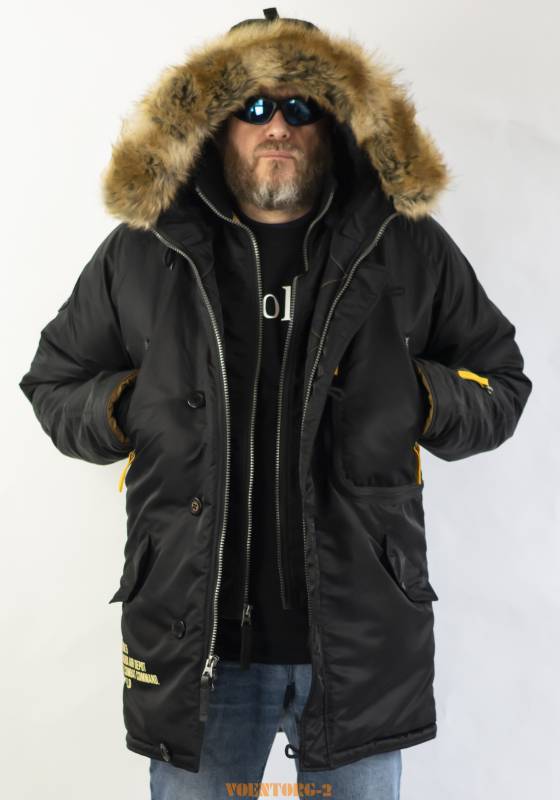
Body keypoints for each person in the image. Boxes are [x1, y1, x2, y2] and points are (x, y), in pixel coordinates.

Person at [18, 8, 533, 800]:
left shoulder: (404, 245)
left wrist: (421, 396)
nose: (277, 125)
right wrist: (127, 407)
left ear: (336, 123)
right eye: (253, 107)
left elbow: (501, 382)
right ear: (214, 126)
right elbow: (54, 381)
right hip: (200, 653)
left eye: (301, 106)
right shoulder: (146, 250)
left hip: (358, 652)